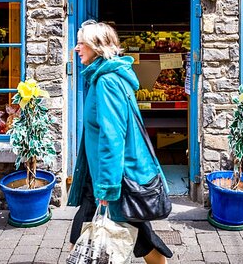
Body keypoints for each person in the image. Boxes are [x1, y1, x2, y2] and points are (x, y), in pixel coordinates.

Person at [68, 20, 173, 264]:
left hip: (113, 178)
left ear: (96, 47)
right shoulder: (102, 77)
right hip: (103, 175)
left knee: (88, 236)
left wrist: (107, 188)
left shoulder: (106, 82)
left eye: (81, 42)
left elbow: (112, 137)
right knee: (137, 236)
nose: (76, 48)